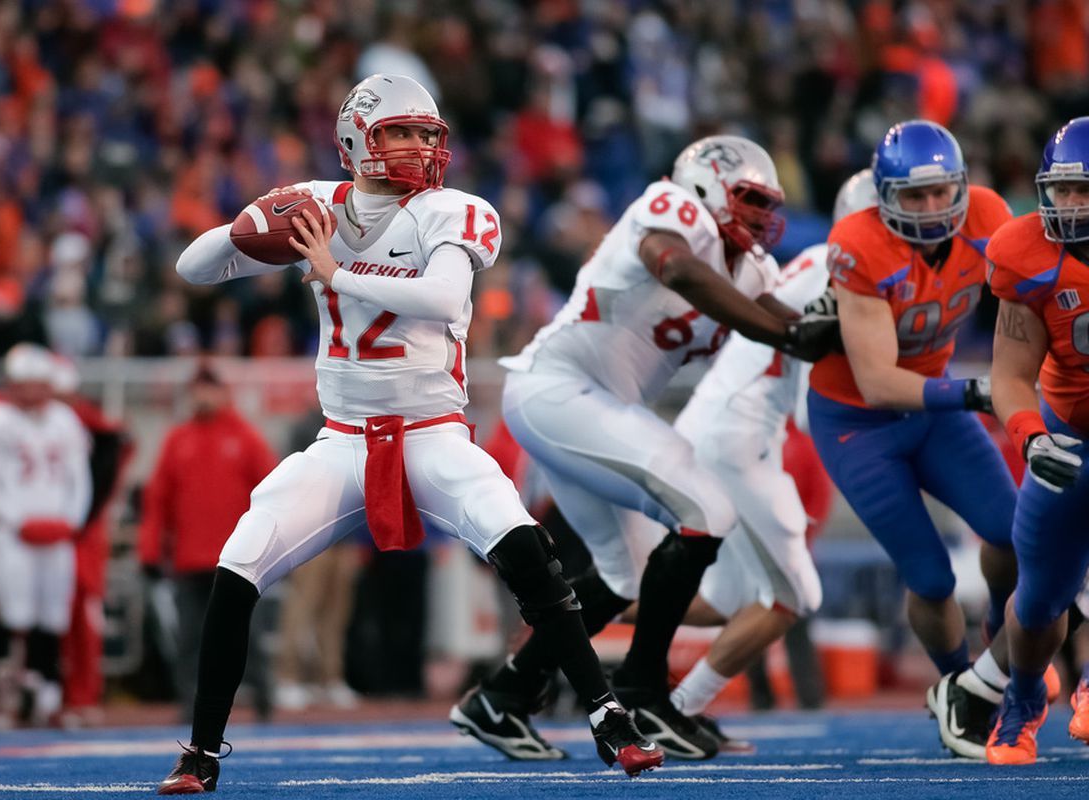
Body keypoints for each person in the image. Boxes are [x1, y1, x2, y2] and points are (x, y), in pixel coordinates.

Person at [156, 74, 663, 795]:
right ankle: (200, 754)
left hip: (432, 433)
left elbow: (445, 296)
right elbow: (193, 267)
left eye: (429, 134)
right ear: (357, 142)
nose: (421, 147)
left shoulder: (451, 210)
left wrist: (335, 270)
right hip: (343, 439)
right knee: (240, 560)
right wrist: (250, 227)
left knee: (522, 545)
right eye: (402, 132)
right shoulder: (317, 207)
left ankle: (609, 716)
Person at [451, 134, 839, 762]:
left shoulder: (753, 270)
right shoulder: (670, 207)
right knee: (707, 509)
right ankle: (645, 690)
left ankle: (502, 697)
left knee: (624, 575)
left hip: (592, 406)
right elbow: (681, 270)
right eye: (748, 199)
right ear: (708, 189)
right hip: (559, 387)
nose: (763, 217)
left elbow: (785, 321)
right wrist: (787, 332)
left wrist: (820, 329)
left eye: (768, 204)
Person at [806, 120, 1018, 760]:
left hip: (935, 406)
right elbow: (876, 383)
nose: (931, 209)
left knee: (1014, 533)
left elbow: (1024, 311)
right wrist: (978, 392)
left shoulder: (988, 215)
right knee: (929, 577)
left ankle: (1000, 648)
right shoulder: (859, 243)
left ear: (961, 186)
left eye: (940, 193)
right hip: (859, 424)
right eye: (914, 196)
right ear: (883, 197)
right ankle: (958, 683)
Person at [650, 169, 878, 738]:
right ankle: (675, 709)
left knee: (725, 600)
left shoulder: (820, 260)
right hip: (740, 433)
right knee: (795, 592)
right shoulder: (846, 270)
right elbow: (812, 407)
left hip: (727, 424)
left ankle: (565, 621)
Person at [984, 116, 1089, 765]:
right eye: (1063, 190)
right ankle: (1024, 697)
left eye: (1086, 190)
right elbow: (1009, 374)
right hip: (1066, 432)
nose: (1070, 205)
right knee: (1040, 598)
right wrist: (1028, 437)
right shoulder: (1026, 253)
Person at [138, 363, 279, 722]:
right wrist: (151, 550)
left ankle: (263, 698)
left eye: (209, 388)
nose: (202, 396)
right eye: (197, 389)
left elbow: (273, 494)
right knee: (190, 640)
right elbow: (158, 500)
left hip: (240, 561)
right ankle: (192, 705)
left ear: (222, 392)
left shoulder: (246, 438)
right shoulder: (177, 439)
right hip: (189, 558)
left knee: (247, 634)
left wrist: (274, 547)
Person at [0, 343, 92, 727]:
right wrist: (18, 520)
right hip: (13, 534)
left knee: (53, 616)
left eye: (39, 384)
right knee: (13, 613)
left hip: (55, 532)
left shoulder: (64, 419)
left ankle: (46, 692)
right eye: (25, 384)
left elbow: (79, 478)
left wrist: (71, 520)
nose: (32, 392)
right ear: (11, 384)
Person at [51, 356, 134, 726]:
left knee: (82, 615)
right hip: (47, 532)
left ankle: (81, 695)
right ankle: (48, 693)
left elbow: (118, 445)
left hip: (78, 534)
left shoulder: (83, 422)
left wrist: (88, 515)